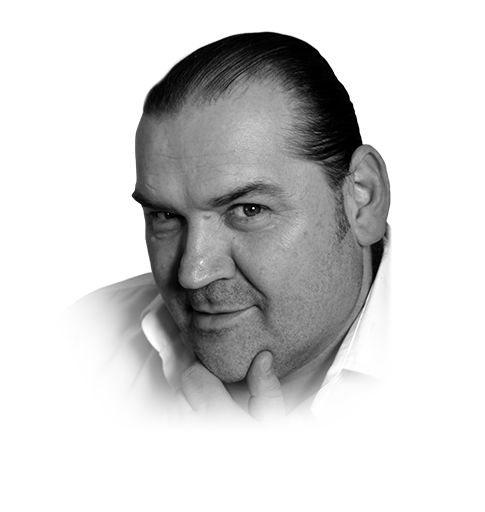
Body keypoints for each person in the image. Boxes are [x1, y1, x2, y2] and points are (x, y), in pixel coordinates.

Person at [55, 32, 391, 434]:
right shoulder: (79, 343)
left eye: (248, 210)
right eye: (165, 215)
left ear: (363, 198)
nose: (192, 273)